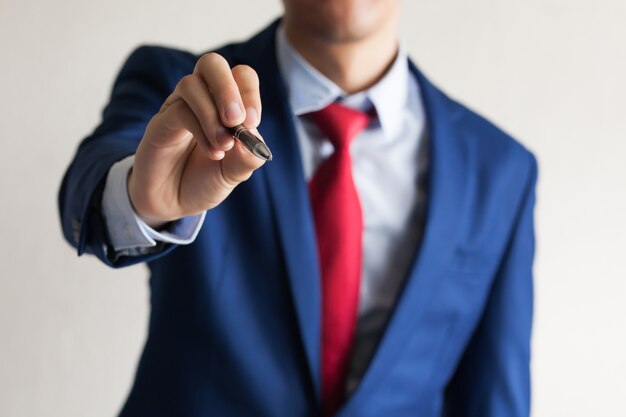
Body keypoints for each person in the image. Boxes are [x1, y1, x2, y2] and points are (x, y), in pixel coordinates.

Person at [59, 0, 538, 416]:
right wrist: (142, 201)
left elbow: (494, 396)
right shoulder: (183, 93)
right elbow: (90, 186)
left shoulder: (500, 171)